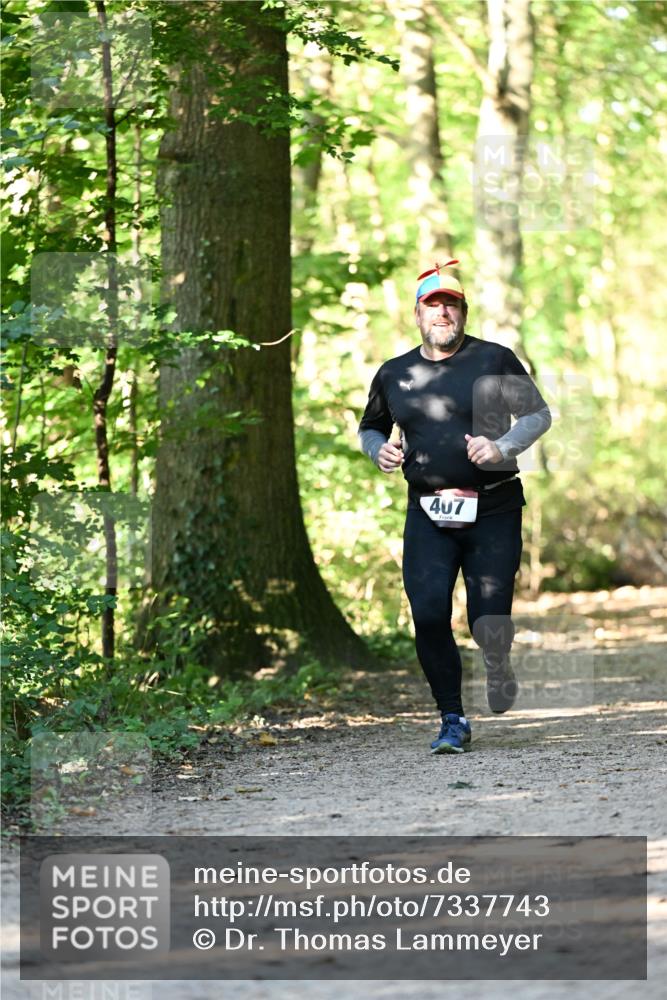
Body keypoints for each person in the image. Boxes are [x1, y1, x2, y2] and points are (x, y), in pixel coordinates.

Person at [358, 259, 552, 754]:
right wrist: (377, 449)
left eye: (451, 304)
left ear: (463, 312)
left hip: (494, 509)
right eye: (433, 305)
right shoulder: (395, 373)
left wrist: (502, 447)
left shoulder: (493, 359)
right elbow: (371, 426)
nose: (442, 312)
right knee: (427, 613)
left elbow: (537, 415)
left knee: (489, 618)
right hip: (427, 512)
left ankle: (497, 660)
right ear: (417, 314)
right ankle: (452, 718)